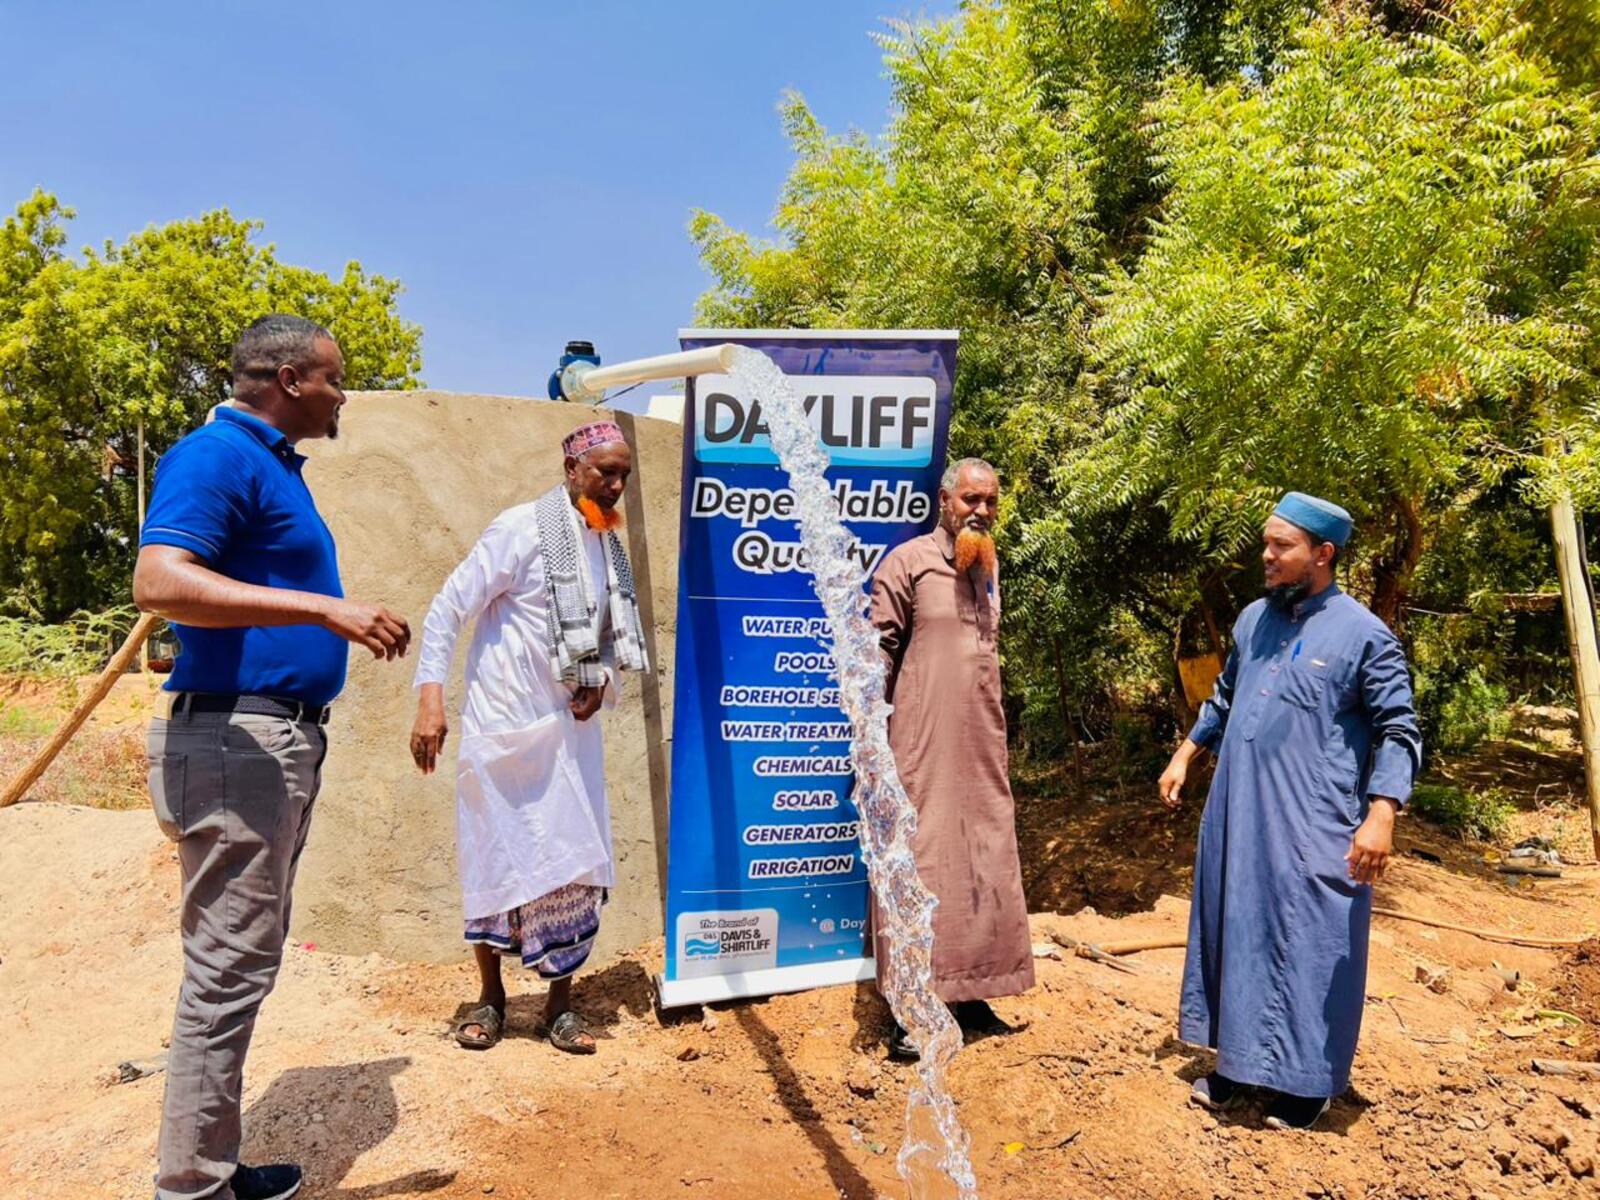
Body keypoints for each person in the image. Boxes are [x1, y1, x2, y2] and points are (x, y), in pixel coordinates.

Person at [134, 315, 412, 1200]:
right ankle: (193, 1187)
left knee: (237, 965)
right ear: (290, 379)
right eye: (334, 378)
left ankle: (206, 1169)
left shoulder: (273, 466)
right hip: (237, 742)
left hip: (263, 741)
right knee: (227, 970)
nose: (342, 394)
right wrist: (323, 610)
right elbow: (158, 581)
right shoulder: (218, 455)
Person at [1159, 491, 1422, 1130]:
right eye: (1267, 544)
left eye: (1282, 546)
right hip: (1239, 809)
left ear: (1322, 554)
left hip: (1314, 819)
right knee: (1238, 928)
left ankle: (1307, 1086)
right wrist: (1186, 754)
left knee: (1311, 939)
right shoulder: (1254, 619)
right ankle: (1235, 1065)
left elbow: (1399, 728)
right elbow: (1224, 698)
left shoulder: (1365, 635)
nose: (1268, 556)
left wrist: (1382, 812)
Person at [409, 419, 650, 1055]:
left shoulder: (606, 546)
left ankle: (559, 1008)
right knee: (495, 859)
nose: (615, 485)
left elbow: (608, 638)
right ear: (572, 469)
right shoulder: (518, 529)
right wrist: (430, 700)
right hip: (503, 729)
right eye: (605, 472)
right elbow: (448, 608)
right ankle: (490, 1000)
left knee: (574, 863)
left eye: (624, 475)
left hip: (568, 736)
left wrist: (601, 681)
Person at [868, 457, 1035, 1060]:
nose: (981, 510)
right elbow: (877, 650)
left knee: (984, 858)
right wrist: (870, 736)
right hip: (921, 743)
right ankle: (911, 1008)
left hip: (981, 743)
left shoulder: (988, 566)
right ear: (945, 501)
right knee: (923, 862)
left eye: (990, 501)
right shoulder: (908, 562)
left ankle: (972, 994)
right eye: (971, 499)